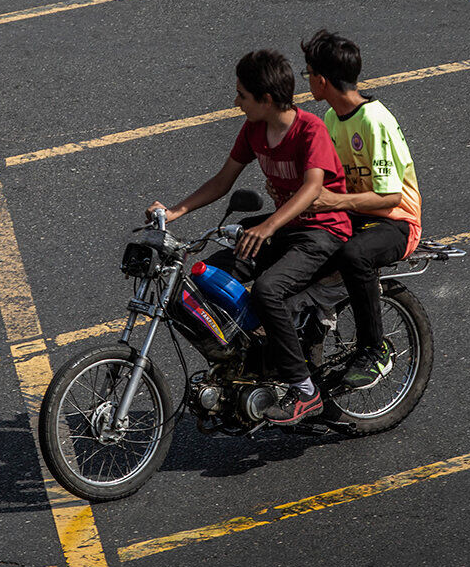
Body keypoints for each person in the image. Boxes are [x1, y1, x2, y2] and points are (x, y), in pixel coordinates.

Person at [147, 50, 351, 424]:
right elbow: (224, 181)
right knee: (204, 273)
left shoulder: (310, 130)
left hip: (322, 231)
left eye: (242, 95)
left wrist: (268, 225)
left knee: (267, 290)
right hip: (284, 227)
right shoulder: (255, 129)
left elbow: (311, 189)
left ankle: (306, 392)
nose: (236, 102)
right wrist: (174, 212)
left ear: (267, 100)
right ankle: (249, 354)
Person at [302, 30, 423, 390]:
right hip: (357, 215)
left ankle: (375, 350)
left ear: (321, 80)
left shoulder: (373, 120)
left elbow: (388, 198)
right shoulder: (330, 117)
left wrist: (333, 202)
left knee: (354, 255)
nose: (306, 80)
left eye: (308, 73)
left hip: (395, 221)